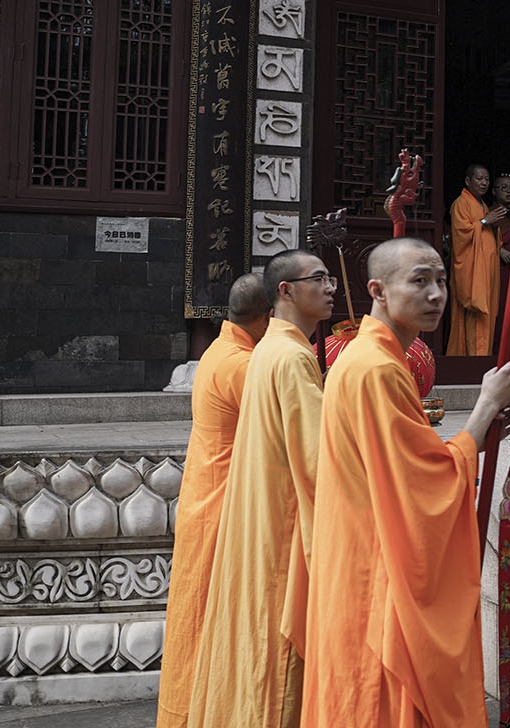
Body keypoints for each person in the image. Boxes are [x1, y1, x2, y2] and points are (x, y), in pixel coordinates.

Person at [300, 237, 510, 726]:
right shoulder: (376, 368)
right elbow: (422, 484)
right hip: (377, 568)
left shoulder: (369, 359)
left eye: (441, 280)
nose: (436, 294)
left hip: (358, 552)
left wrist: (472, 438)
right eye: (419, 281)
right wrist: (484, 407)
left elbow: (406, 462)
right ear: (377, 290)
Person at [186, 251, 336, 728]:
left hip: (250, 508)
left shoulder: (263, 350)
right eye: (319, 278)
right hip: (274, 522)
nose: (331, 286)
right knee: (273, 664)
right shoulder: (287, 357)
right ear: (284, 293)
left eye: (332, 278)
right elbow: (319, 463)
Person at [157, 274, 269, 728]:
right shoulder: (243, 365)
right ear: (270, 317)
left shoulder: (219, 350)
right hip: (223, 506)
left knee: (196, 619)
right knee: (207, 623)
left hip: (205, 497)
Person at [446, 163, 507, 356]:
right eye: (479, 179)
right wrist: (484, 222)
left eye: (487, 179)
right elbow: (461, 235)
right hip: (471, 272)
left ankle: (482, 357)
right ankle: (472, 360)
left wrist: (493, 225)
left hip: (487, 270)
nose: (484, 183)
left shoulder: (484, 205)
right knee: (474, 313)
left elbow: (490, 237)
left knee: (487, 313)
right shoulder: (461, 203)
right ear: (468, 181)